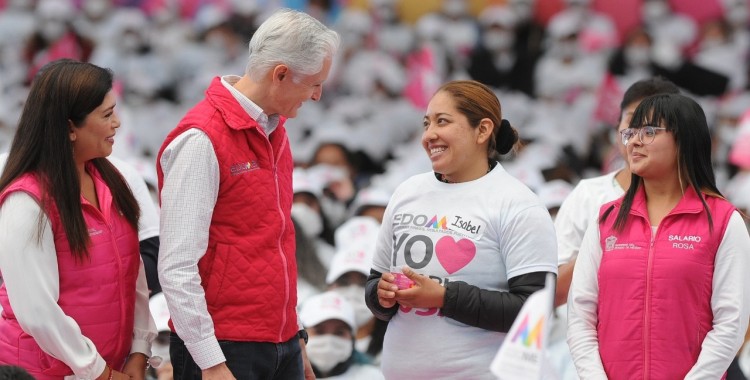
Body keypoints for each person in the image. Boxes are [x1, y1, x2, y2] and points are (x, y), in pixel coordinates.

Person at [156, 8, 339, 380]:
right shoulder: (201, 140)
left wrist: (295, 332)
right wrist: (210, 360)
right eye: (314, 84)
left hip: (280, 340)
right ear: (281, 75)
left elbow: (276, 242)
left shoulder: (276, 132)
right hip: (223, 348)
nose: (317, 96)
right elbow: (176, 266)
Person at [365, 80, 558, 379]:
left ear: (482, 130)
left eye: (442, 121)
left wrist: (444, 297)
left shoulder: (518, 204)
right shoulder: (407, 192)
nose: (429, 135)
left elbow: (534, 311)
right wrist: (382, 295)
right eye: (426, 123)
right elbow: (375, 283)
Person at [567, 93, 750, 379]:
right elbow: (580, 316)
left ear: (685, 138)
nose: (635, 141)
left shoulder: (724, 221)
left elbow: (731, 323)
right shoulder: (605, 220)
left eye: (649, 131)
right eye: (632, 132)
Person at [0, 59, 156, 379]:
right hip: (46, 371)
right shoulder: (27, 202)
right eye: (107, 115)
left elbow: (133, 275)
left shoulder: (115, 181)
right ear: (70, 127)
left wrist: (139, 350)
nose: (117, 124)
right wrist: (99, 372)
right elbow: (37, 312)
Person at [554, 77, 680, 307]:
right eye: (632, 121)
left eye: (651, 127)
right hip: (582, 337)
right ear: (617, 129)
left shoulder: (698, 204)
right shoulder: (587, 195)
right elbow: (552, 293)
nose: (638, 135)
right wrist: (605, 244)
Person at [299, 291, 384, 379]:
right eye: (319, 331)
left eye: (339, 332)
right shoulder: (286, 375)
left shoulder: (373, 377)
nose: (329, 340)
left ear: (352, 339)